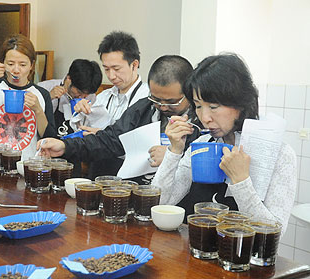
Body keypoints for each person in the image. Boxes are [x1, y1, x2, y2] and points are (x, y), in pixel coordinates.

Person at [152, 53, 296, 234]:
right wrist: (174, 151)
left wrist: (241, 181)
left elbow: (274, 233)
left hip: (241, 259)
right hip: (198, 252)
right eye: (198, 105)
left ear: (240, 104)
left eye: (213, 107)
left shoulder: (280, 155)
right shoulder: (202, 144)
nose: (205, 118)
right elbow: (160, 203)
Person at [37, 55, 200, 183]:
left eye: (171, 102)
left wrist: (175, 157)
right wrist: (65, 145)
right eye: (156, 99)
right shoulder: (143, 108)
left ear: (189, 92)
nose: (163, 107)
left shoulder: (201, 119)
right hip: (138, 192)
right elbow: (109, 140)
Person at [71, 31, 150, 134]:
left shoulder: (148, 96)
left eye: (116, 69)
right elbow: (82, 131)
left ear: (134, 65)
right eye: (107, 69)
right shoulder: (103, 97)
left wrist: (103, 136)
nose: (111, 76)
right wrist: (81, 112)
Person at [37, 59, 102, 137]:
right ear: (69, 78)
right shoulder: (44, 88)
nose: (82, 97)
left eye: (86, 94)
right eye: (79, 91)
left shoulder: (91, 97)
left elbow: (94, 125)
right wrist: (48, 98)